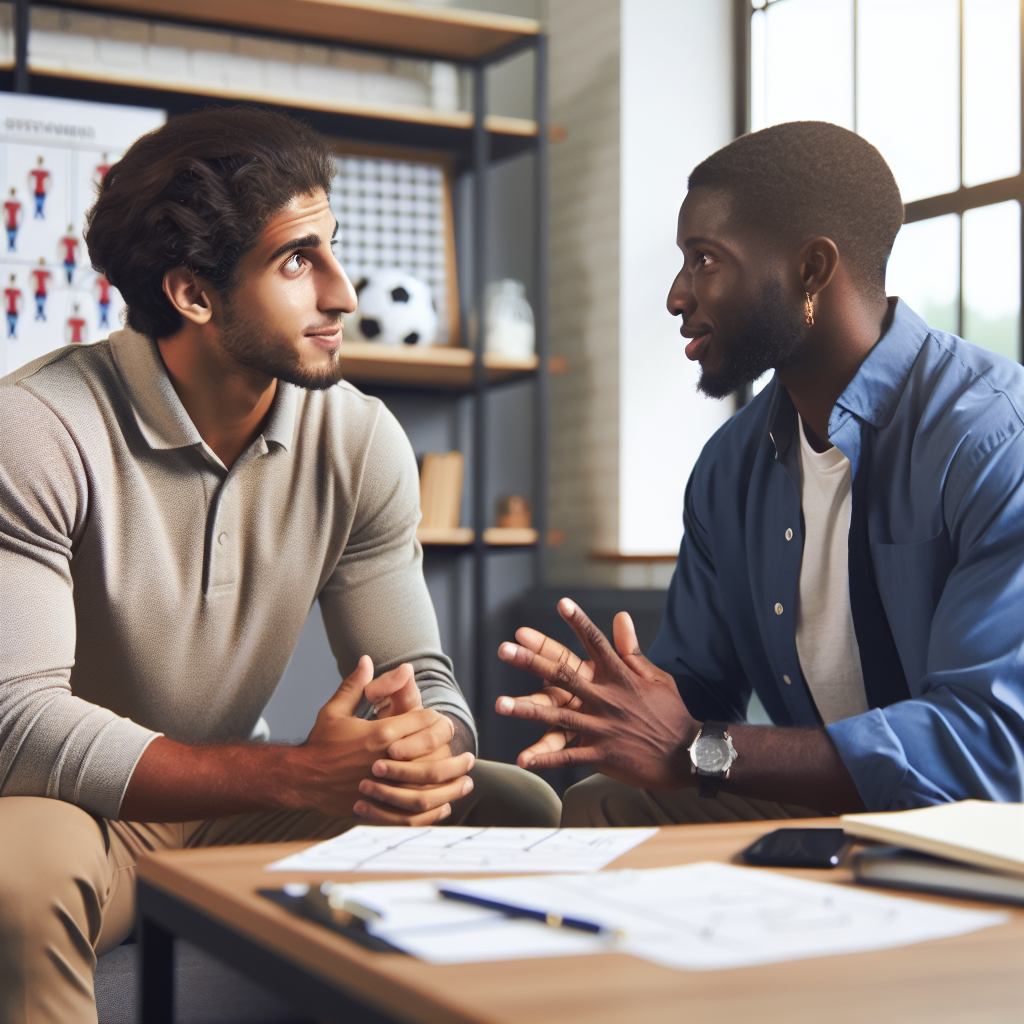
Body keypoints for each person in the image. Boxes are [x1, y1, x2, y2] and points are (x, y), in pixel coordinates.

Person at [0, 107, 558, 1024]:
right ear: (193, 294)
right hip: (68, 813)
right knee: (18, 875)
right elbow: (21, 726)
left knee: (512, 807)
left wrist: (429, 746)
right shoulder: (37, 429)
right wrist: (291, 775)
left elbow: (423, 679)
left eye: (332, 248)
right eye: (298, 261)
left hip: (234, 812)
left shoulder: (360, 439)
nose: (342, 293)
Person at [495, 120, 1024, 826]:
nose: (677, 295)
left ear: (812, 270)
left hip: (985, 815)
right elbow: (697, 696)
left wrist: (693, 748)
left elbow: (990, 743)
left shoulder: (993, 437)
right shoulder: (729, 466)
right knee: (603, 803)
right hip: (831, 805)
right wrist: (615, 705)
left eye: (705, 259)